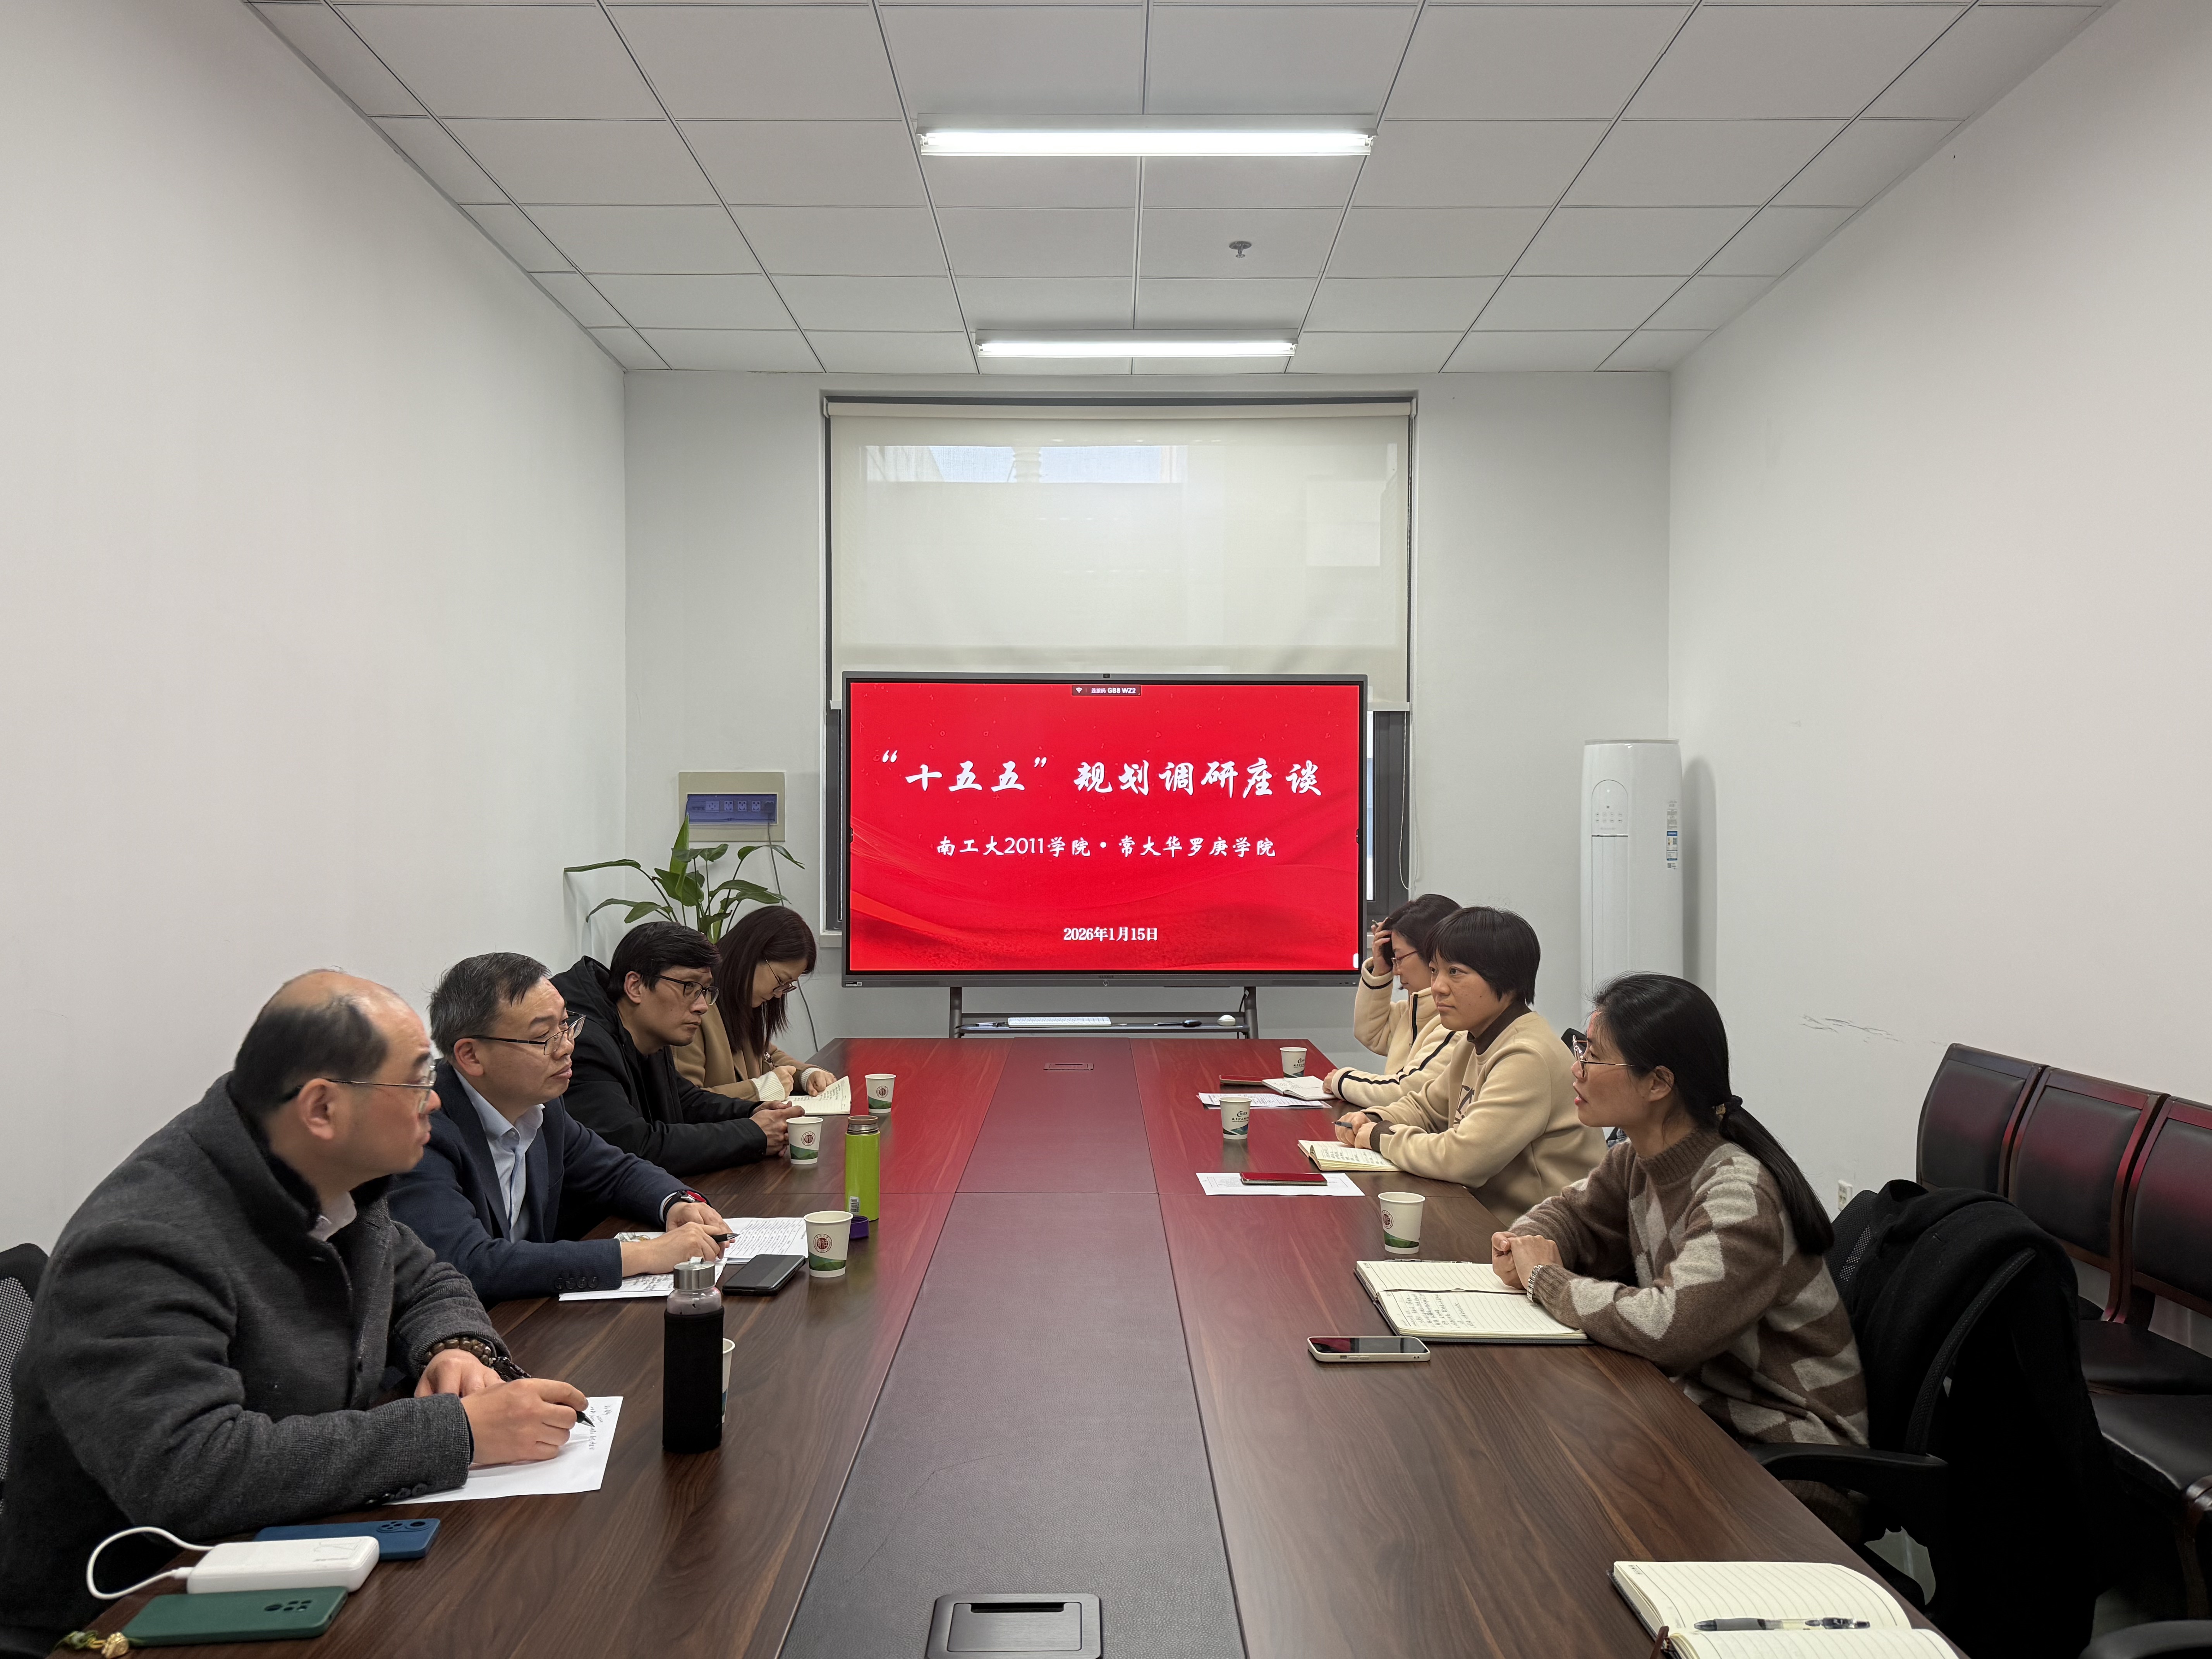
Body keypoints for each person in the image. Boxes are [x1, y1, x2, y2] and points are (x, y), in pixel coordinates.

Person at [0, 974, 588, 1653]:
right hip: (125, 1613)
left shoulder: (325, 1173)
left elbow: (427, 1278)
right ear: (322, 1107)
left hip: (288, 1547)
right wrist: (458, 1431)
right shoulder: (142, 1240)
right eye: (414, 1081)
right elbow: (192, 1471)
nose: (433, 1099)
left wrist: (455, 1346)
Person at [1492, 973, 1869, 1468]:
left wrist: (1544, 1278)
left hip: (1791, 1456)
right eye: (1581, 1048)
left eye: (1593, 1056)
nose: (1576, 1069)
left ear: (1658, 1082)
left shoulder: (1738, 1194)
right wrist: (1522, 1243)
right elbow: (1569, 1214)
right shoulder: (1635, 1159)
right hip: (1697, 1415)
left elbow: (1670, 1329)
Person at [389, 953, 737, 1304]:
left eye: (566, 1024)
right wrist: (645, 1255)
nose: (568, 1046)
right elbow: (468, 1263)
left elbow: (615, 1171)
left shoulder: (542, 1106)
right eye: (544, 1036)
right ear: (471, 1056)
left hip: (527, 1315)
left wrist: (676, 1203)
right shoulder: (421, 1131)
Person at [1333, 907, 1602, 1219]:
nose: (1438, 987)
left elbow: (1462, 1160)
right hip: (1485, 1218)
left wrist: (1378, 1135)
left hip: (1538, 1234)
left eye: (1455, 972)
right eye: (1434, 971)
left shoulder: (1527, 1055)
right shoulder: (1474, 1039)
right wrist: (1374, 1116)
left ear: (1506, 979)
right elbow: (1426, 1108)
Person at [551, 921, 796, 1174]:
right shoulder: (583, 1043)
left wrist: (753, 1112)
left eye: (704, 990)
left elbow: (683, 1100)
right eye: (689, 987)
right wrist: (753, 1134)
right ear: (635, 986)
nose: (702, 1006)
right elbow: (633, 1147)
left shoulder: (645, 1029)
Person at [672, 905, 835, 1103]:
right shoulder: (695, 1008)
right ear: (751, 955)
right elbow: (686, 1103)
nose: (778, 995)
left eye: (787, 986)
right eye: (780, 981)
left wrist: (806, 1074)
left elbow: (767, 1055)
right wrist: (760, 1090)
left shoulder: (740, 1003)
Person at [1322, 891, 1459, 1111]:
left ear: (1433, 953)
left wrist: (1341, 1080)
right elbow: (1370, 1033)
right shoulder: (1413, 1012)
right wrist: (1380, 968)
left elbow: (1406, 1091)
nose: (1396, 970)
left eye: (1399, 958)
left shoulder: (1456, 1022)